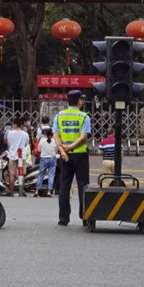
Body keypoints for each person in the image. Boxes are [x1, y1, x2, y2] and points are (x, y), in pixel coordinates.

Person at [53, 90, 90, 226]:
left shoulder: (59, 116)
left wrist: (63, 149)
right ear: (79, 101)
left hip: (65, 156)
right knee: (83, 186)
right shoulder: (84, 116)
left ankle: (63, 218)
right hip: (80, 154)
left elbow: (56, 135)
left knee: (64, 186)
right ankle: (85, 217)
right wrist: (71, 147)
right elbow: (83, 136)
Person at [5, 117, 30, 197]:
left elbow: (9, 143)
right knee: (21, 173)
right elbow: (26, 144)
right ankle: (21, 190)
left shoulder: (10, 133)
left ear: (15, 124)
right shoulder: (25, 134)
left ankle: (11, 191)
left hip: (12, 155)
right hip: (21, 155)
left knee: (11, 174)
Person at [35, 128, 57, 197]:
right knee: (51, 175)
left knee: (41, 175)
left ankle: (37, 191)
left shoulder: (42, 140)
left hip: (44, 158)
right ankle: (49, 191)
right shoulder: (54, 141)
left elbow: (39, 149)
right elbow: (56, 150)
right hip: (52, 158)